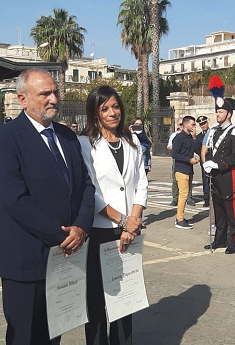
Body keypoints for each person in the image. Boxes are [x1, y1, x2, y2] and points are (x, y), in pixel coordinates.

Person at [0, 68, 94, 345]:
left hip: (64, 257)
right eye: (44, 93)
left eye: (55, 92)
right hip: (25, 258)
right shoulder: (6, 138)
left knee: (53, 335)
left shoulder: (67, 137)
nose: (54, 99)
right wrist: (63, 235)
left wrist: (81, 226)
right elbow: (15, 199)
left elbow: (86, 186)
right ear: (22, 99)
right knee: (25, 335)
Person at [79, 85, 147, 345]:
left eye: (115, 106)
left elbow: (141, 182)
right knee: (97, 299)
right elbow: (90, 190)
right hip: (100, 229)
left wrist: (133, 219)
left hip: (131, 229)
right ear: (95, 113)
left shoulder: (132, 141)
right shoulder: (85, 144)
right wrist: (121, 219)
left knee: (125, 298)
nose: (112, 113)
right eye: (104, 108)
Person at [203, 76, 235, 254]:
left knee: (231, 210)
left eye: (220, 112)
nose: (217, 114)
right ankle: (219, 240)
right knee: (218, 209)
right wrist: (207, 164)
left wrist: (217, 165)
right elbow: (211, 151)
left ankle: (233, 242)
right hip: (215, 176)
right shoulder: (213, 131)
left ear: (228, 114)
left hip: (228, 174)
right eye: (217, 111)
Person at [171, 115, 198, 229]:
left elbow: (193, 149)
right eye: (192, 124)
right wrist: (188, 160)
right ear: (186, 124)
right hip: (181, 169)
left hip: (188, 169)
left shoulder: (189, 137)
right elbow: (174, 154)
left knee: (185, 193)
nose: (194, 126)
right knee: (183, 194)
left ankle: (181, 217)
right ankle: (179, 219)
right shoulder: (179, 138)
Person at [194, 115, 211, 207]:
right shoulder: (199, 136)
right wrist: (202, 152)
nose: (203, 125)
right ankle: (207, 198)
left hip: (213, 160)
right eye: (201, 124)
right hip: (204, 161)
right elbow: (195, 148)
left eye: (204, 123)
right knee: (205, 180)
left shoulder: (213, 133)